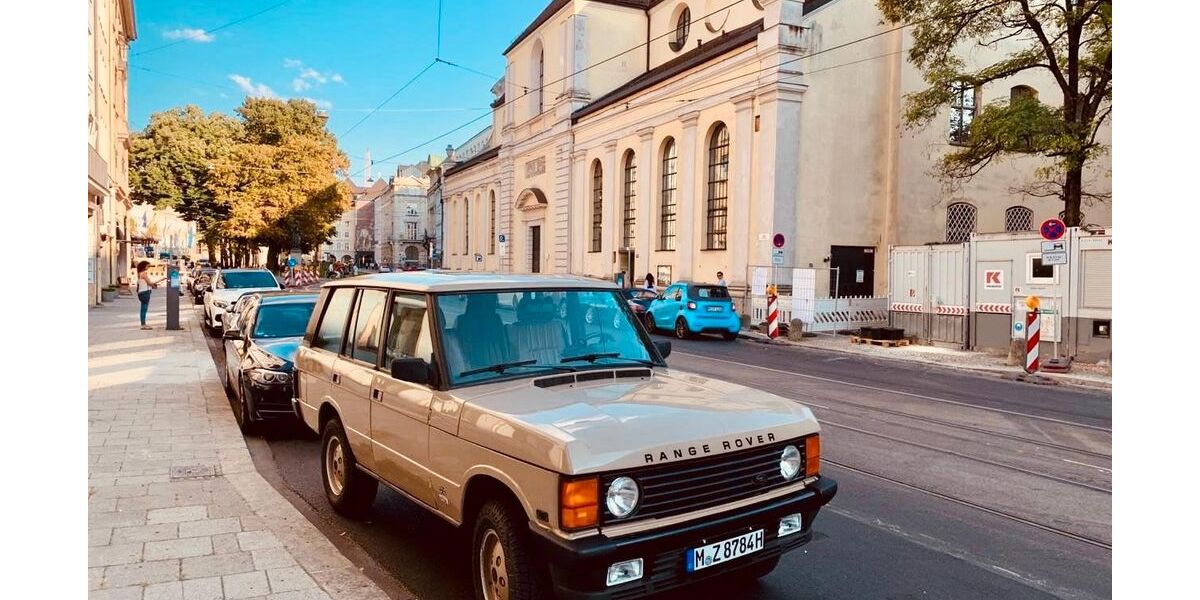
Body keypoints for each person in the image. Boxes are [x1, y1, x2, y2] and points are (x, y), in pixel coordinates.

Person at [135, 261, 165, 330]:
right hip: (145, 293)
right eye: (147, 266)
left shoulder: (139, 273)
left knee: (143, 309)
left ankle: (143, 324)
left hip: (141, 292)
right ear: (144, 266)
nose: (148, 268)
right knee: (144, 309)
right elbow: (150, 283)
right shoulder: (143, 274)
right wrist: (161, 280)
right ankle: (143, 325)